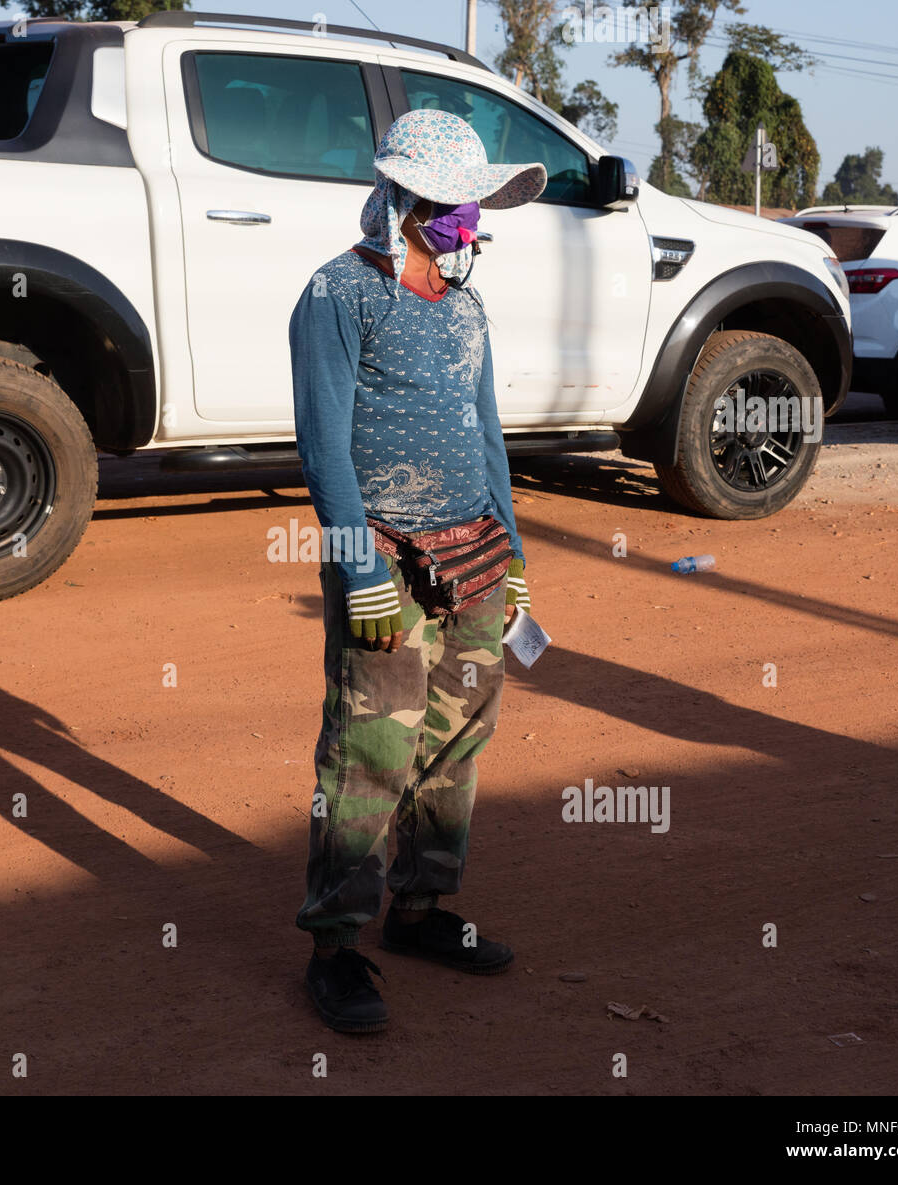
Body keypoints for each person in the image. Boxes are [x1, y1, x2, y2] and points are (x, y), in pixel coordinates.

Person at [288, 108, 547, 1033]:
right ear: (403, 201)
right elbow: (322, 442)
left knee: (456, 744)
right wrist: (356, 563)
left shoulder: (468, 305)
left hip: (472, 552)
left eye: (474, 210)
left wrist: (512, 558)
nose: (468, 225)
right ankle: (335, 948)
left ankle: (423, 910)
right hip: (387, 560)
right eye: (454, 207)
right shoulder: (338, 295)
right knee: (370, 752)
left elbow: (487, 437)